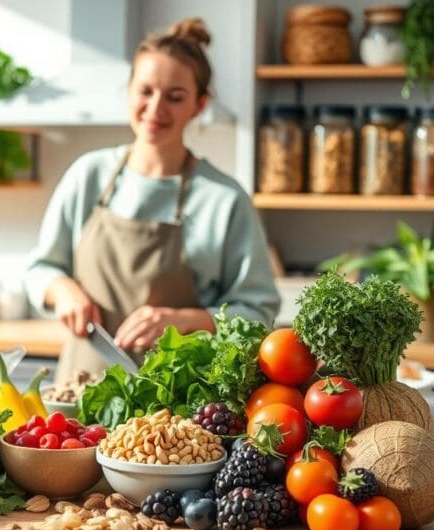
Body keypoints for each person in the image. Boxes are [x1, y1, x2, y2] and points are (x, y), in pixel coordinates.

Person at [24, 18, 281, 381]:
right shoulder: (89, 175)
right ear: (128, 91)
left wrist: (184, 321)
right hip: (79, 401)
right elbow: (40, 270)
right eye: (145, 91)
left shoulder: (224, 200)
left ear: (199, 104)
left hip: (177, 413)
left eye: (175, 97)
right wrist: (63, 291)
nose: (156, 108)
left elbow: (259, 311)